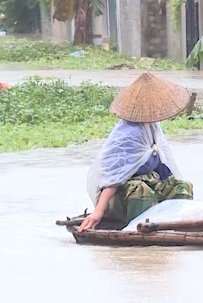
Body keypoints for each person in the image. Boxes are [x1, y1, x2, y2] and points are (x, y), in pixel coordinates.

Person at [79, 73, 195, 232]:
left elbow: (164, 167)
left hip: (151, 184)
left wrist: (173, 187)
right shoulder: (128, 134)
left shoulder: (153, 128)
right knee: (141, 190)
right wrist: (98, 212)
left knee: (182, 186)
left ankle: (177, 227)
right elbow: (112, 179)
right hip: (121, 197)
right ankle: (137, 230)